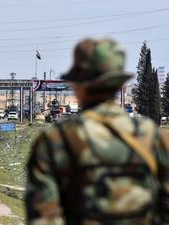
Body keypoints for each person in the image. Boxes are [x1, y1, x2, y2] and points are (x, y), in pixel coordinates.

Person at [25, 38, 169, 225]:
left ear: (78, 85)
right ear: (118, 85)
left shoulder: (56, 140)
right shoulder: (154, 138)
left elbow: (44, 218)